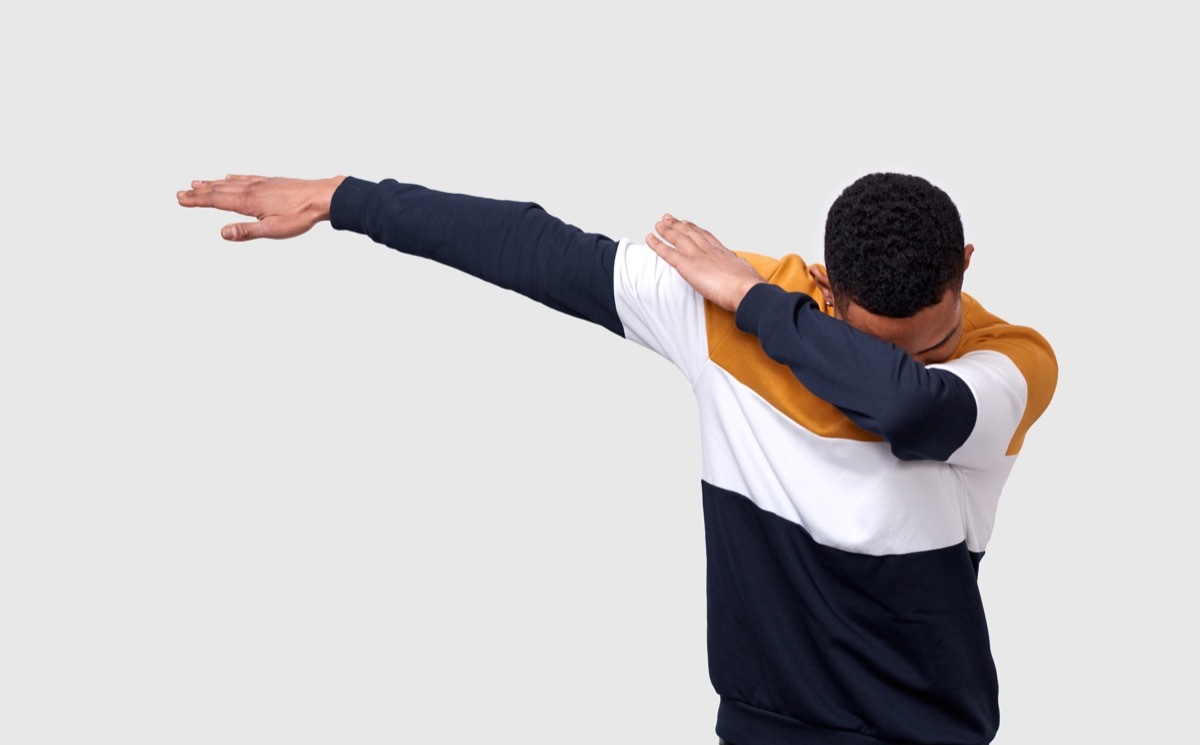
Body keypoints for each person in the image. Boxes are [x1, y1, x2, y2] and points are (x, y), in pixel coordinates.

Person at [177, 172, 1057, 745]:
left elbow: (906, 404)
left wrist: (752, 299)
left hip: (930, 733)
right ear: (825, 285)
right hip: (766, 727)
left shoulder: (1007, 363)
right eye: (879, 341)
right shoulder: (720, 311)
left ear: (967, 265)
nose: (918, 358)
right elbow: (536, 247)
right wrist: (345, 198)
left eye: (928, 336)